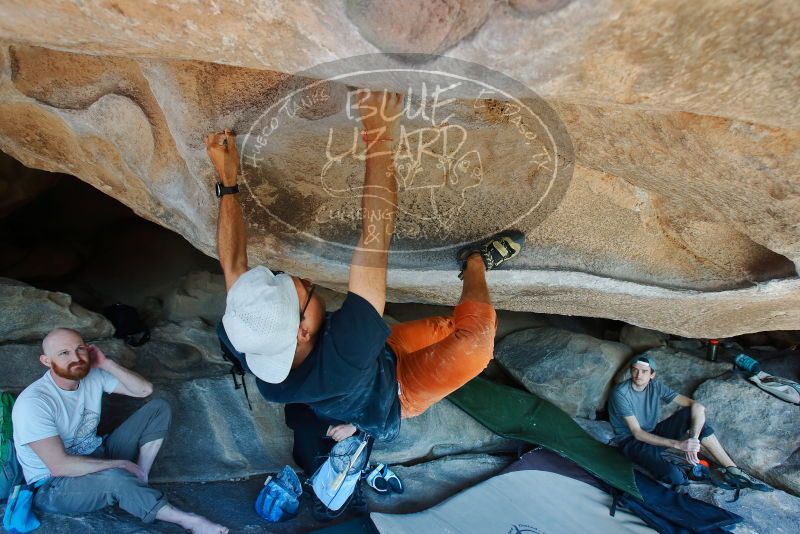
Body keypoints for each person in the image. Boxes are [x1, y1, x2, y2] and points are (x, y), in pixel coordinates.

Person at [206, 88, 524, 444]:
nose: (309, 281)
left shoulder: (252, 335)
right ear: (301, 333)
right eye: (306, 291)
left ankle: (455, 311)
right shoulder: (346, 355)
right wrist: (379, 131)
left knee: (444, 328)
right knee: (475, 343)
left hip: (379, 358)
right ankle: (475, 263)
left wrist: (228, 182)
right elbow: (376, 239)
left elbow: (234, 267)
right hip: (398, 393)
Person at [12, 327, 228, 533]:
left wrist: (106, 363)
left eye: (80, 349)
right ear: (46, 360)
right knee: (116, 477)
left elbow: (144, 389)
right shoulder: (35, 402)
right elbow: (59, 466)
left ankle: (139, 478)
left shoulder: (91, 376)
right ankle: (189, 521)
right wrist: (122, 464)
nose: (76, 358)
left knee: (158, 408)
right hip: (54, 486)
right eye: (64, 353)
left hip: (96, 453)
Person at [608, 354, 753, 491]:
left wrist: (694, 439)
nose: (638, 375)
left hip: (652, 433)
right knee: (675, 477)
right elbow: (637, 433)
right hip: (630, 442)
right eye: (635, 370)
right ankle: (689, 472)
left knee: (690, 414)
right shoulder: (621, 393)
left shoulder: (655, 386)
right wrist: (678, 445)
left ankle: (732, 469)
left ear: (652, 374)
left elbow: (698, 407)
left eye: (644, 371)